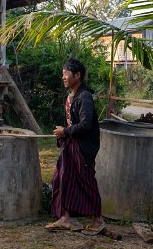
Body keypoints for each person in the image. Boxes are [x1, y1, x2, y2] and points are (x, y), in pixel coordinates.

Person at [45, 58, 105, 235]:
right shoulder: (71, 95)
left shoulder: (85, 97)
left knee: (86, 181)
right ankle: (65, 218)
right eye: (63, 74)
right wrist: (65, 134)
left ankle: (98, 220)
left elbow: (86, 125)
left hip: (83, 148)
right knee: (62, 179)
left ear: (77, 75)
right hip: (72, 144)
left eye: (66, 74)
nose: (63, 77)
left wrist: (65, 131)